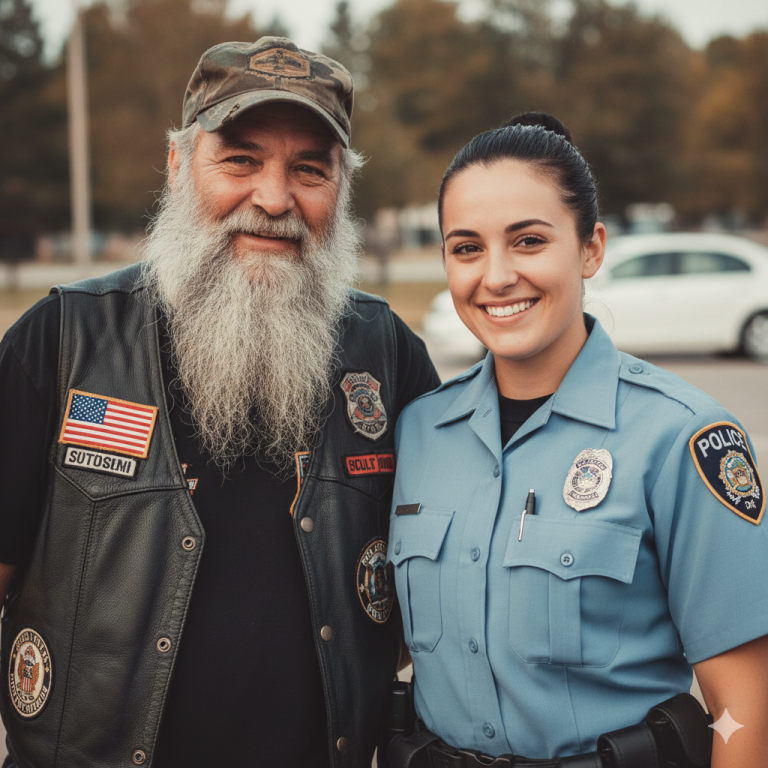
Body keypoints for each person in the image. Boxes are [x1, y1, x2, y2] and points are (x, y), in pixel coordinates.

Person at [0, 37, 439, 768]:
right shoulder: (63, 340)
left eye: (310, 169)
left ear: (343, 188)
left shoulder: (387, 354)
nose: (274, 199)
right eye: (239, 160)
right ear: (177, 165)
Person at [386, 113, 768, 768]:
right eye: (467, 247)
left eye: (528, 241)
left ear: (591, 248)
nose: (497, 276)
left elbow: (748, 704)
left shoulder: (683, 437)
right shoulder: (421, 431)